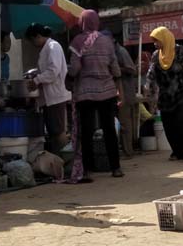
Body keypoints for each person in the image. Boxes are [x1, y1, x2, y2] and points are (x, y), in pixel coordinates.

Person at [68, 10, 123, 180]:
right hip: (107, 91)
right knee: (109, 130)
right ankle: (116, 168)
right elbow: (115, 68)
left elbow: (75, 69)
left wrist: (68, 73)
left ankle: (87, 170)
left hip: (85, 92)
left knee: (87, 131)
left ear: (82, 22)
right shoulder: (107, 41)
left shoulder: (78, 41)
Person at [146, 26, 183, 163]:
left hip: (182, 92)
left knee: (182, 122)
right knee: (169, 124)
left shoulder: (180, 51)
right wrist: (150, 91)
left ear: (165, 38)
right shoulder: (156, 55)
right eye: (154, 41)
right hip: (165, 96)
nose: (155, 44)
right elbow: (151, 75)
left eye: (157, 40)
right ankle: (177, 151)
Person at [24, 23, 71, 150]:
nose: (33, 44)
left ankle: (66, 161)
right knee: (53, 131)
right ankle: (59, 159)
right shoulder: (47, 48)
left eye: (32, 40)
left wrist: (37, 80)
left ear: (38, 36)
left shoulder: (53, 47)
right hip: (49, 98)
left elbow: (52, 71)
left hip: (55, 96)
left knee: (58, 131)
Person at [114, 37, 139, 157]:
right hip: (118, 92)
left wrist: (117, 69)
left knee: (125, 123)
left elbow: (132, 69)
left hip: (125, 92)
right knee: (122, 123)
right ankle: (125, 150)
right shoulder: (113, 52)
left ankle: (128, 151)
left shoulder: (121, 51)